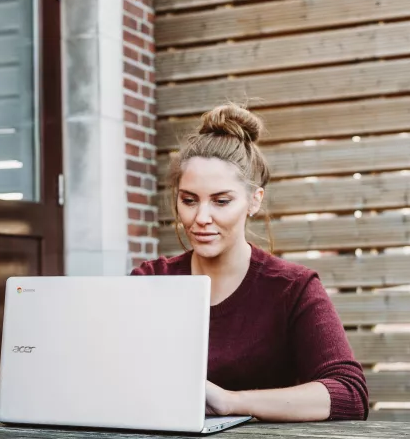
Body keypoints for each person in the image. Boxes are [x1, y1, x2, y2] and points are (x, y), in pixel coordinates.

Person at [131, 103, 368, 422]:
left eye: (221, 201)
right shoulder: (150, 279)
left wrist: (231, 402)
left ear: (254, 201)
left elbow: (349, 394)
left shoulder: (292, 288)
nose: (201, 218)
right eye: (189, 200)